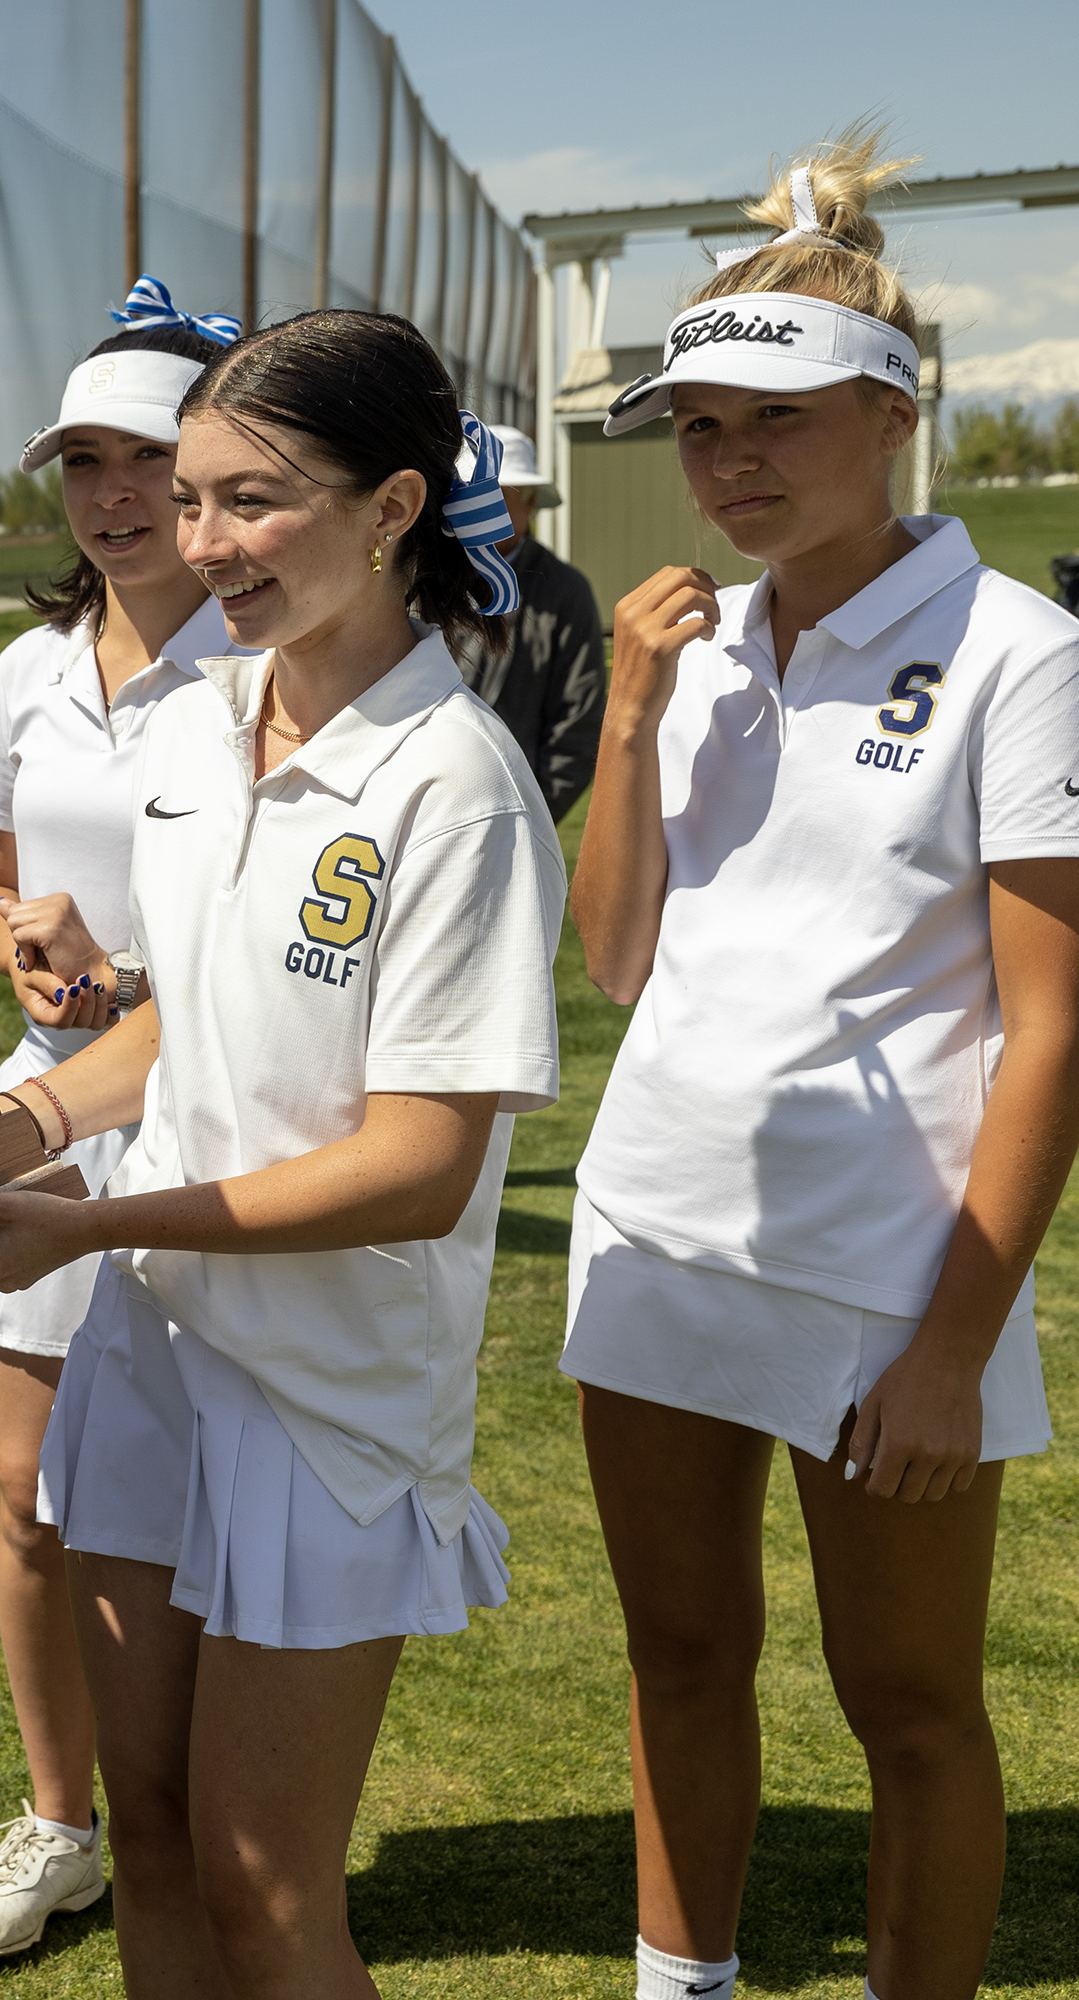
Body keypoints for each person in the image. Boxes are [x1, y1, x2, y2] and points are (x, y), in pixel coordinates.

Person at [0, 309, 564, 1996]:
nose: (206, 543)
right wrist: (18, 1128)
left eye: (256, 501)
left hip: (325, 1403)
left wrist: (83, 1222)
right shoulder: (205, 725)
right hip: (152, 1346)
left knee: (269, 1889)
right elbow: (179, 1026)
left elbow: (419, 1168)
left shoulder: (454, 785)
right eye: (193, 498)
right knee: (147, 1830)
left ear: (394, 507)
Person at [565, 128, 1079, 2000]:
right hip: (656, 1236)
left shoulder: (1023, 654)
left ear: (894, 413)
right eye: (699, 426)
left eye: (773, 418)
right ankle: (675, 1984)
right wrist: (624, 713)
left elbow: (1056, 1031)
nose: (731, 463)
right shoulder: (689, 657)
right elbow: (616, 960)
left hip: (884, 1287)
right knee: (679, 1659)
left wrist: (953, 1341)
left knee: (916, 1709)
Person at [0, 273, 236, 1961]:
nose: (113, 500)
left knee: (195, 1497)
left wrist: (140, 984)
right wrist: (41, 962)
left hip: (215, 1127)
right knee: (33, 1493)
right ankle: (66, 1824)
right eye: (84, 466)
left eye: (148, 462)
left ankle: (202, 1823)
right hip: (49, 1122)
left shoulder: (272, 667)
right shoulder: (36, 669)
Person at [442, 423, 604, 821]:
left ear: (530, 502)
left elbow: (578, 726)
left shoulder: (565, 592)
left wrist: (529, 819)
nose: (486, 504)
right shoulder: (423, 579)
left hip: (509, 813)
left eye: (501, 493)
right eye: (475, 493)